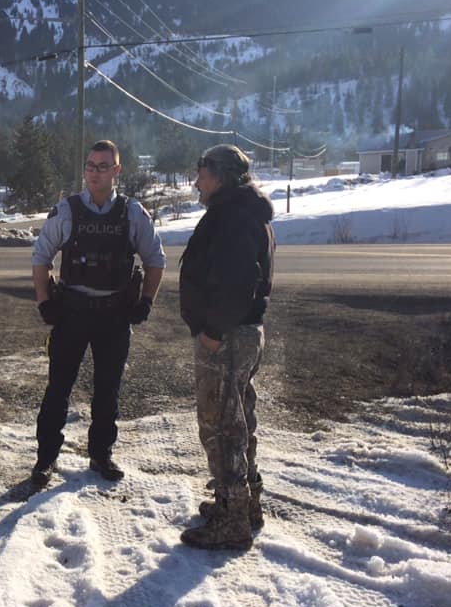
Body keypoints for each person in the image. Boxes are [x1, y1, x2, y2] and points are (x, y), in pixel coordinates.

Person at [30, 140, 165, 487]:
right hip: (72, 313)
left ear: (117, 171)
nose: (94, 172)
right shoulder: (67, 211)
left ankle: (101, 455)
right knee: (57, 389)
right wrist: (45, 301)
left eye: (103, 166)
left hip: (114, 316)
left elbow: (156, 261)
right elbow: (40, 257)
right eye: (90, 165)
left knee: (108, 390)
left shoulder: (133, 214)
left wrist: (146, 302)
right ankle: (45, 459)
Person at [178, 144, 275, 551]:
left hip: (229, 337)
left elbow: (237, 282)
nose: (196, 181)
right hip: (238, 334)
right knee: (240, 419)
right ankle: (245, 503)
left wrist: (213, 331)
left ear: (219, 175)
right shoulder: (240, 211)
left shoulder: (233, 216)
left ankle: (232, 519)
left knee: (222, 426)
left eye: (200, 172)